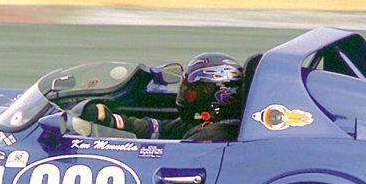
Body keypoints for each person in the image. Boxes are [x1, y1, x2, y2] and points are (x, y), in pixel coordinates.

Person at [81, 52, 244, 141]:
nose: (185, 96)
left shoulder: (210, 135)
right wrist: (112, 121)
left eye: (192, 93)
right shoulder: (204, 125)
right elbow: (158, 128)